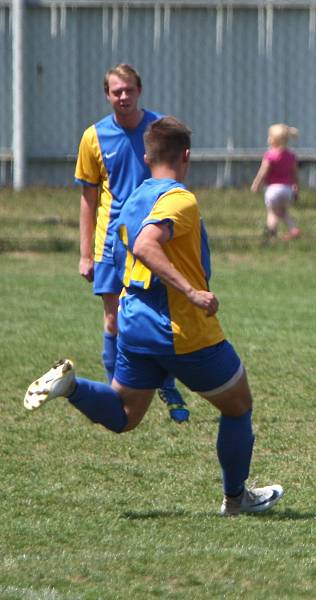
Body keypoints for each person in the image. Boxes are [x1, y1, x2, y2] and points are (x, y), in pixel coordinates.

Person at [25, 116, 284, 516]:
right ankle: (236, 500)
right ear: (186, 156)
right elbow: (147, 245)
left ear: (146, 156)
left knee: (125, 415)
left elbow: (118, 254)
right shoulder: (180, 199)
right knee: (238, 406)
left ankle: (72, 386)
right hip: (181, 329)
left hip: (135, 325)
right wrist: (192, 291)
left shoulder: (131, 198)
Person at [74, 63, 189, 422]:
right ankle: (114, 393)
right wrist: (84, 254)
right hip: (112, 243)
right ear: (107, 95)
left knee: (159, 316)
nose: (123, 97)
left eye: (128, 90)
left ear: (139, 90)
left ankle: (167, 382)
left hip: (153, 239)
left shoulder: (158, 130)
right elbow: (88, 199)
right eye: (115, 91)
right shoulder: (93, 137)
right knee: (114, 321)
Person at [250, 124, 300, 241]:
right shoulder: (291, 156)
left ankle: (271, 231)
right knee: (283, 211)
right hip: (287, 190)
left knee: (272, 212)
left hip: (273, 189)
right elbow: (295, 174)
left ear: (273, 140)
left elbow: (263, 172)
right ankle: (293, 229)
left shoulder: (270, 155)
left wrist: (256, 184)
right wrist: (297, 188)